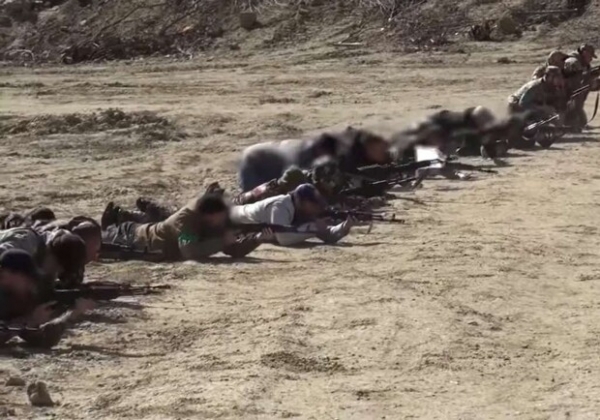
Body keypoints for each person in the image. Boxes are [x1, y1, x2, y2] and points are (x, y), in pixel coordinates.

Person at [101, 193, 271, 261]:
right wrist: (221, 242)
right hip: (132, 238)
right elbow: (189, 251)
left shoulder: (212, 220)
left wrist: (258, 239)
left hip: (138, 236)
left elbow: (232, 249)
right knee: (96, 240)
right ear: (209, 214)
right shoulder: (187, 221)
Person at [0, 249, 91, 349]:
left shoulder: (20, 299)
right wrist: (31, 321)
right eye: (29, 278)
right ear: (8, 275)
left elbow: (42, 341)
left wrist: (70, 315)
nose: (32, 285)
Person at [230, 184, 355, 246]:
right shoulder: (280, 206)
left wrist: (344, 226)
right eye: (313, 204)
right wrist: (313, 229)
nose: (317, 208)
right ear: (302, 202)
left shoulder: (302, 211)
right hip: (232, 221)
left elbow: (327, 234)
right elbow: (283, 238)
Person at [238, 130, 343, 192]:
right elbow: (290, 179)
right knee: (254, 197)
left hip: (269, 164)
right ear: (322, 149)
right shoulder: (299, 153)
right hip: (253, 161)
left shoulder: (310, 150)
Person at [0, 227, 88, 293]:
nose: (57, 273)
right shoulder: (26, 244)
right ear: (50, 251)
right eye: (58, 266)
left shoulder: (68, 243)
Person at [563, 43, 599, 131]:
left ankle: (580, 123)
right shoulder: (572, 61)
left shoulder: (584, 64)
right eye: (590, 56)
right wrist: (590, 74)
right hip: (563, 94)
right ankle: (570, 123)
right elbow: (574, 81)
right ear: (584, 52)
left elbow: (585, 82)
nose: (591, 59)